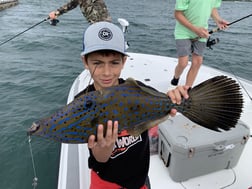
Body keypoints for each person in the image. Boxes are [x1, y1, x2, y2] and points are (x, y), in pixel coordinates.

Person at [75, 21, 189, 189]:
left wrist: (173, 97)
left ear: (124, 61)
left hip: (139, 179)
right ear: (85, 61)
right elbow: (98, 158)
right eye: (97, 63)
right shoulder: (82, 102)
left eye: (114, 62)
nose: (106, 72)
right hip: (106, 182)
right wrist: (104, 149)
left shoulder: (138, 90)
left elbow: (161, 103)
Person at [171, 0, 228, 87]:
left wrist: (218, 20)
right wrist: (196, 30)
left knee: (197, 62)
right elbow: (177, 14)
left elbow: (212, 7)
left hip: (202, 32)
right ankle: (176, 78)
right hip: (183, 32)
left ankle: (187, 88)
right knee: (183, 63)